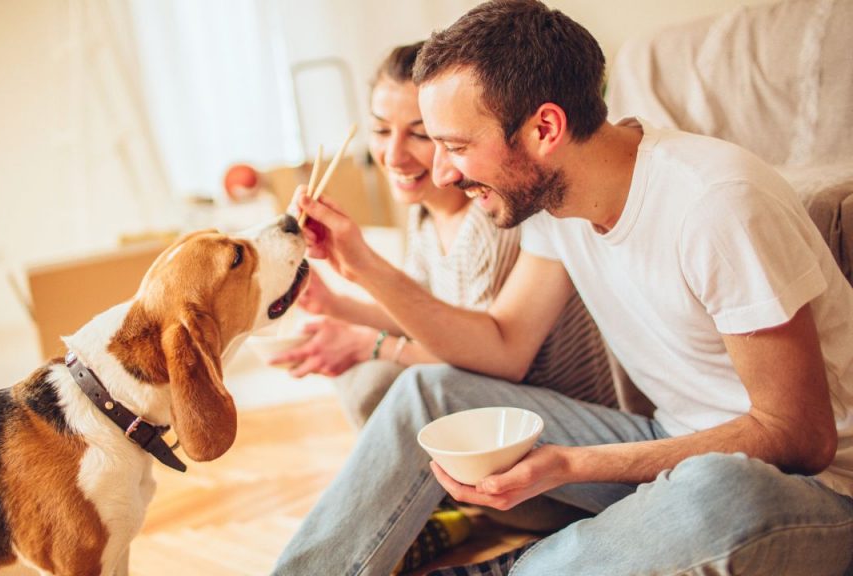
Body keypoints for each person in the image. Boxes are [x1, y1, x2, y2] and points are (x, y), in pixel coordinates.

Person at [272, 1, 853, 574]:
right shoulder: (552, 204)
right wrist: (363, 265)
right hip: (671, 443)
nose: (444, 173)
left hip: (813, 490)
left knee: (718, 489)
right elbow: (501, 345)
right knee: (424, 393)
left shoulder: (715, 204)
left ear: (544, 128)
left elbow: (798, 437)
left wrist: (575, 464)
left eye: (455, 146)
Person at [273, 42, 615, 430]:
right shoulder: (423, 213)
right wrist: (335, 304)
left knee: (395, 378)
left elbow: (479, 359)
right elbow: (423, 311)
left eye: (420, 135)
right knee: (363, 376)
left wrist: (371, 343)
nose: (393, 156)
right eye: (381, 130)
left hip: (553, 407)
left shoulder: (494, 217)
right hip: (491, 393)